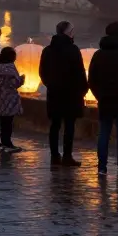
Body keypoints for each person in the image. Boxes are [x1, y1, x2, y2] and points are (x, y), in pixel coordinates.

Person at [88, 22, 118, 177]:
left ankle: (102, 167)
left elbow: (92, 79)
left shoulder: (98, 54)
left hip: (105, 100)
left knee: (104, 133)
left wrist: (99, 95)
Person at [39, 20, 87, 167]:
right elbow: (80, 73)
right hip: (71, 94)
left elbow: (42, 72)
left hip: (54, 93)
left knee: (54, 125)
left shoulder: (48, 50)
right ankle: (67, 156)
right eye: (72, 30)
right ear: (68, 32)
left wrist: (51, 85)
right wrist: (83, 90)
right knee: (69, 126)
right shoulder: (73, 50)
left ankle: (54, 156)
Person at [0, 46, 24, 153]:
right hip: (8, 100)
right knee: (7, 122)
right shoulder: (11, 69)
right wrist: (21, 80)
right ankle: (7, 143)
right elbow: (14, 84)